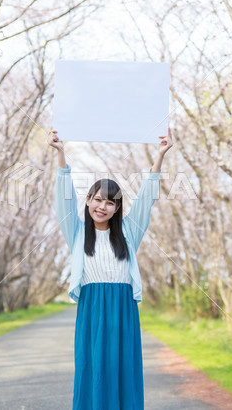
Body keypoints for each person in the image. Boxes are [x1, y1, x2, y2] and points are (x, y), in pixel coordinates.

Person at [48, 128, 173, 410]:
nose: (102, 206)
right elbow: (63, 202)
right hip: (92, 308)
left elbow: (146, 199)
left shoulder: (130, 230)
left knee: (123, 369)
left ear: (117, 208)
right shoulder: (76, 232)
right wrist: (60, 155)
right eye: (97, 199)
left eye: (110, 202)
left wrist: (160, 156)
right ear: (88, 201)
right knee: (92, 368)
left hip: (123, 307)